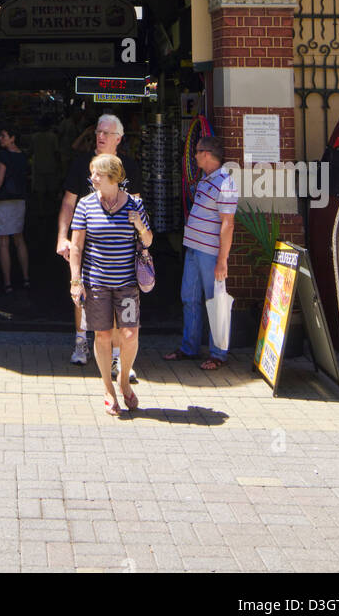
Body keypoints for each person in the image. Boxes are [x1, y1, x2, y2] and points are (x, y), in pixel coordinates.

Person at [57, 114, 144, 371]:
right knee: (81, 293)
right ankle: (81, 341)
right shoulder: (82, 163)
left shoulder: (130, 166)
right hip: (87, 243)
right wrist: (63, 236)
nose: (100, 136)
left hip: (121, 247)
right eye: (98, 131)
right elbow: (67, 202)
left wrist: (142, 243)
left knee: (118, 299)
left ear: (119, 138)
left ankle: (117, 354)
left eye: (106, 133)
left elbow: (138, 208)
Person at [69, 154, 152, 415]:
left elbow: (148, 241)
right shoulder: (85, 205)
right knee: (102, 335)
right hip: (96, 285)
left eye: (98, 174)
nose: (92, 178)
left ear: (113, 177)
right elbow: (77, 247)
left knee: (130, 334)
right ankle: (108, 389)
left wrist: (140, 226)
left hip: (127, 284)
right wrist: (75, 281)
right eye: (92, 173)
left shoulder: (134, 204)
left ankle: (123, 379)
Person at [163, 135, 239, 371]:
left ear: (206, 154)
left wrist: (222, 260)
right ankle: (190, 347)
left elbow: (228, 223)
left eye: (196, 151)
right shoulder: (207, 180)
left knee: (216, 302)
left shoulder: (225, 182)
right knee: (190, 298)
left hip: (209, 253)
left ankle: (219, 354)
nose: (193, 155)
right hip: (195, 250)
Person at [0, 127, 30, 293]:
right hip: (19, 200)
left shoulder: (3, 155)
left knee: (3, 242)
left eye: (3, 135)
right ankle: (26, 278)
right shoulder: (22, 156)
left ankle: (8, 283)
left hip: (4, 201)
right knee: (19, 240)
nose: (0, 138)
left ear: (12, 138)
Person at [29, 114, 60, 211]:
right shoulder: (53, 137)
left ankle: (40, 210)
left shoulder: (34, 137)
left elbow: (30, 151)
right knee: (52, 190)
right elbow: (56, 152)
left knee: (39, 192)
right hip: (51, 166)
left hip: (38, 166)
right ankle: (53, 209)